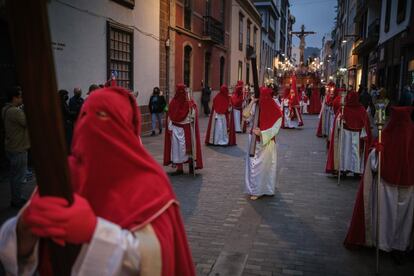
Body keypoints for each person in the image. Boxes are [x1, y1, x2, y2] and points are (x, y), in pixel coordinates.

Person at [0, 87, 196, 275]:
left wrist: (94, 232)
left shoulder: (151, 182)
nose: (90, 124)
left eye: (103, 116)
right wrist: (24, 230)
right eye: (85, 115)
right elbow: (19, 250)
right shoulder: (61, 174)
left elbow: (158, 258)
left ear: (124, 126)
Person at [344, 106, 414, 253]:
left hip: (387, 185)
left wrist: (376, 152)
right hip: (406, 186)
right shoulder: (407, 132)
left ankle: (382, 242)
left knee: (385, 215)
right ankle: (400, 245)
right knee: (403, 218)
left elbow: (375, 163)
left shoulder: (388, 134)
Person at [243, 87, 283, 200]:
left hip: (267, 142)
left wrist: (262, 133)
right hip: (253, 141)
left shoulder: (275, 110)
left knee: (264, 167)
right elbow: (245, 115)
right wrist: (252, 102)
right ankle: (254, 189)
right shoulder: (256, 106)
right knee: (253, 166)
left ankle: (264, 189)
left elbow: (275, 128)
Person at [325, 91, 372, 175]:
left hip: (347, 135)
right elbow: (365, 122)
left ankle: (345, 168)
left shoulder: (344, 108)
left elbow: (337, 121)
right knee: (355, 152)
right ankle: (355, 170)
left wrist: (340, 119)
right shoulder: (359, 109)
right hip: (355, 136)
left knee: (345, 152)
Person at [164, 84, 203, 175]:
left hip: (185, 129)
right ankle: (180, 168)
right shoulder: (175, 102)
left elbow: (193, 114)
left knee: (187, 148)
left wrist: (192, 110)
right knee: (178, 149)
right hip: (179, 128)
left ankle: (189, 166)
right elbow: (170, 114)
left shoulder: (187, 102)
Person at [1, 87, 30, 208]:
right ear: (15, 98)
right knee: (19, 176)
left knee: (14, 175)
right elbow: (27, 122)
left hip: (11, 146)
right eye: (20, 96)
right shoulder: (15, 111)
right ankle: (17, 200)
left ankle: (16, 197)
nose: (22, 99)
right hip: (18, 147)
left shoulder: (5, 109)